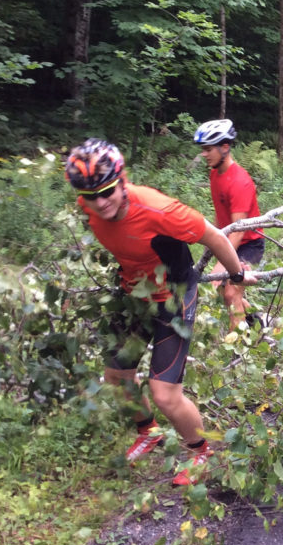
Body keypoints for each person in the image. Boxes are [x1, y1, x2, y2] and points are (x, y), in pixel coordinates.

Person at [65, 138, 255, 486]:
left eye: (107, 192)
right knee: (116, 378)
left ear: (121, 181)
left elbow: (213, 237)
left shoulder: (160, 210)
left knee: (164, 394)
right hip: (133, 296)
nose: (100, 202)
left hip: (173, 296)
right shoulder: (88, 204)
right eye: (90, 196)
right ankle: (147, 432)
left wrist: (237, 275)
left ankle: (201, 454)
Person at [193, 119, 265, 330]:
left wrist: (220, 263)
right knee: (224, 293)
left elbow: (238, 230)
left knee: (232, 293)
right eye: (203, 149)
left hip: (248, 244)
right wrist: (211, 241)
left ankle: (240, 354)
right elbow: (221, 216)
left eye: (208, 149)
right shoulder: (215, 173)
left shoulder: (240, 181)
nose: (204, 154)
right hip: (227, 239)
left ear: (225, 147)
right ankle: (257, 322)